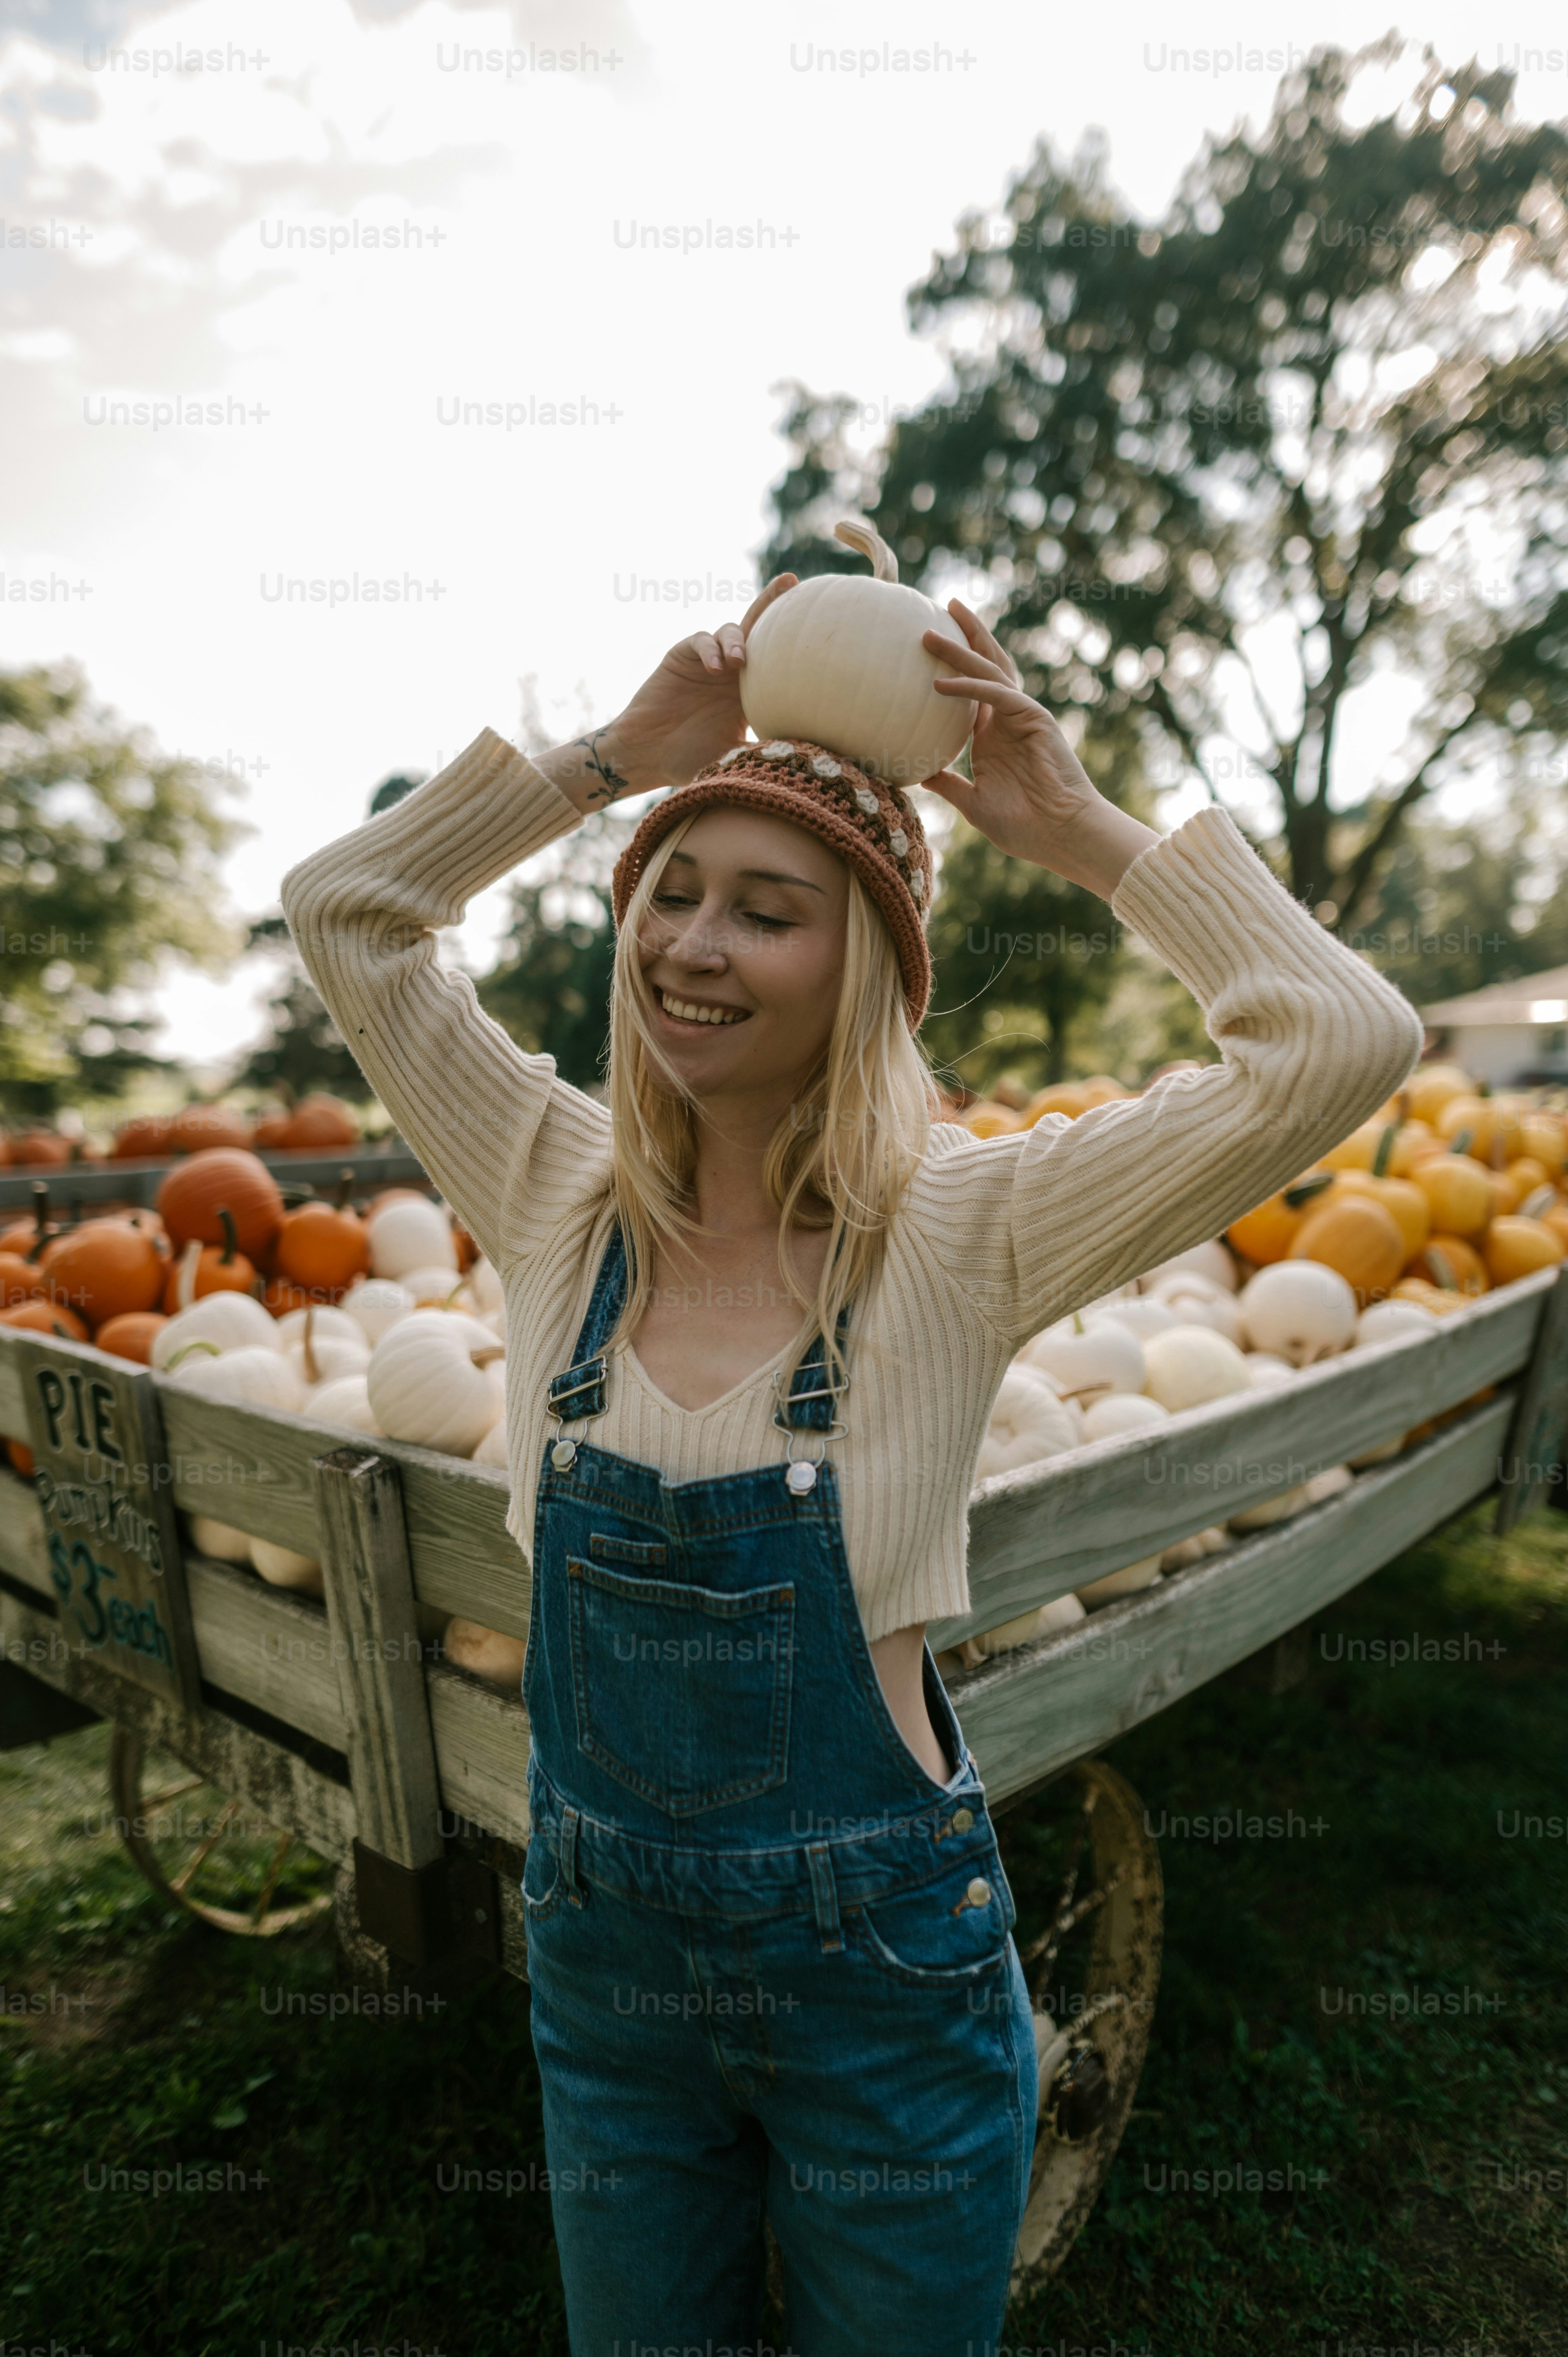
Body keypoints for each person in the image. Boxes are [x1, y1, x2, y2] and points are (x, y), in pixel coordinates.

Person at [282, 578, 1423, 2355]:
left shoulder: (966, 1229)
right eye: (671, 892)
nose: (693, 945)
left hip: (880, 1985)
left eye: (768, 911)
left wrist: (1083, 831)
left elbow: (1339, 1038)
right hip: (609, 1982)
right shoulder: (544, 1179)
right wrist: (604, 765)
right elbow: (349, 913)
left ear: (869, 964)